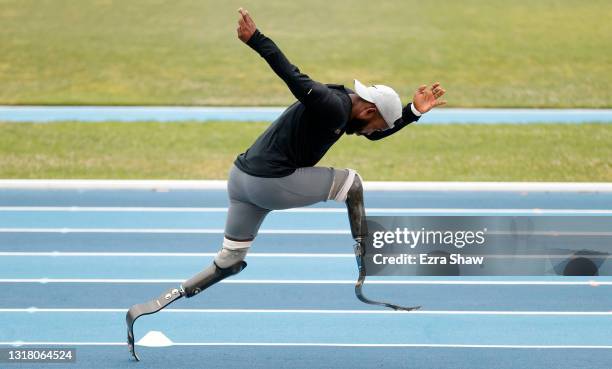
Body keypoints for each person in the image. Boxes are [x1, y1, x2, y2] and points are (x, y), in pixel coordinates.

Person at [126, 7, 446, 359]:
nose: (374, 134)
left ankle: (161, 300)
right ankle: (363, 262)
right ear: (368, 111)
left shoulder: (344, 109)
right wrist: (256, 40)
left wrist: (411, 114)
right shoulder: (330, 104)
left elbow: (369, 135)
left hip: (240, 182)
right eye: (377, 126)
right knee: (352, 183)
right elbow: (293, 76)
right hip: (269, 183)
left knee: (230, 261)